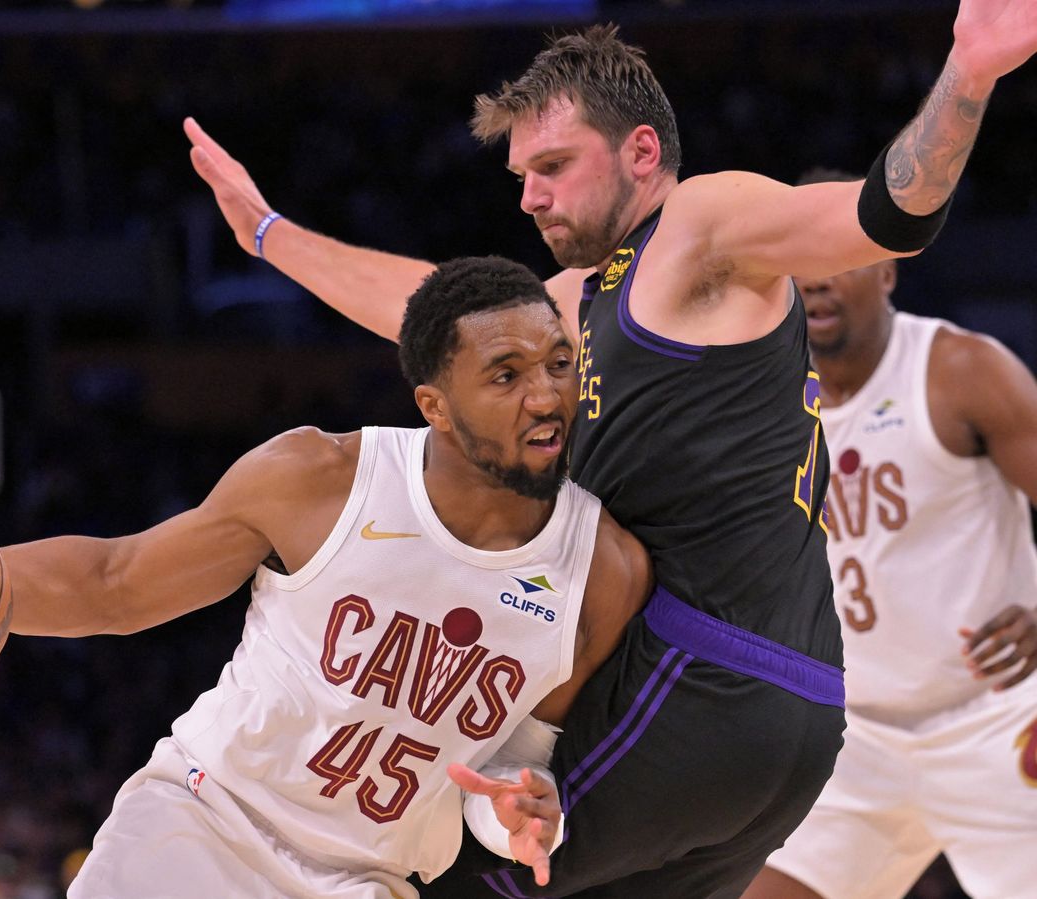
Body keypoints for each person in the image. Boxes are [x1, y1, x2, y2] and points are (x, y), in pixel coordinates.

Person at [183, 4, 1037, 896]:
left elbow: (885, 213)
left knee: (427, 869)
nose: (530, 196)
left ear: (640, 152)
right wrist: (269, 234)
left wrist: (969, 71)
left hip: (700, 676)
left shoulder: (701, 224)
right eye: (521, 176)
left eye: (554, 166)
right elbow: (427, 308)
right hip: (790, 711)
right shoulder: (581, 297)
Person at [0, 258, 653, 898]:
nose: (546, 394)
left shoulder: (604, 571)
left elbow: (512, 755)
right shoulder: (320, 478)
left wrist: (517, 812)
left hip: (366, 878)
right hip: (200, 826)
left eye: (558, 363)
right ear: (435, 405)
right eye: (506, 375)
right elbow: (116, 579)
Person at [738, 170, 1037, 899]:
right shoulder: (762, 410)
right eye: (800, 262)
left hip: (996, 719)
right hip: (858, 737)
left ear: (888, 269)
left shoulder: (959, 370)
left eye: (839, 259)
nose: (817, 281)